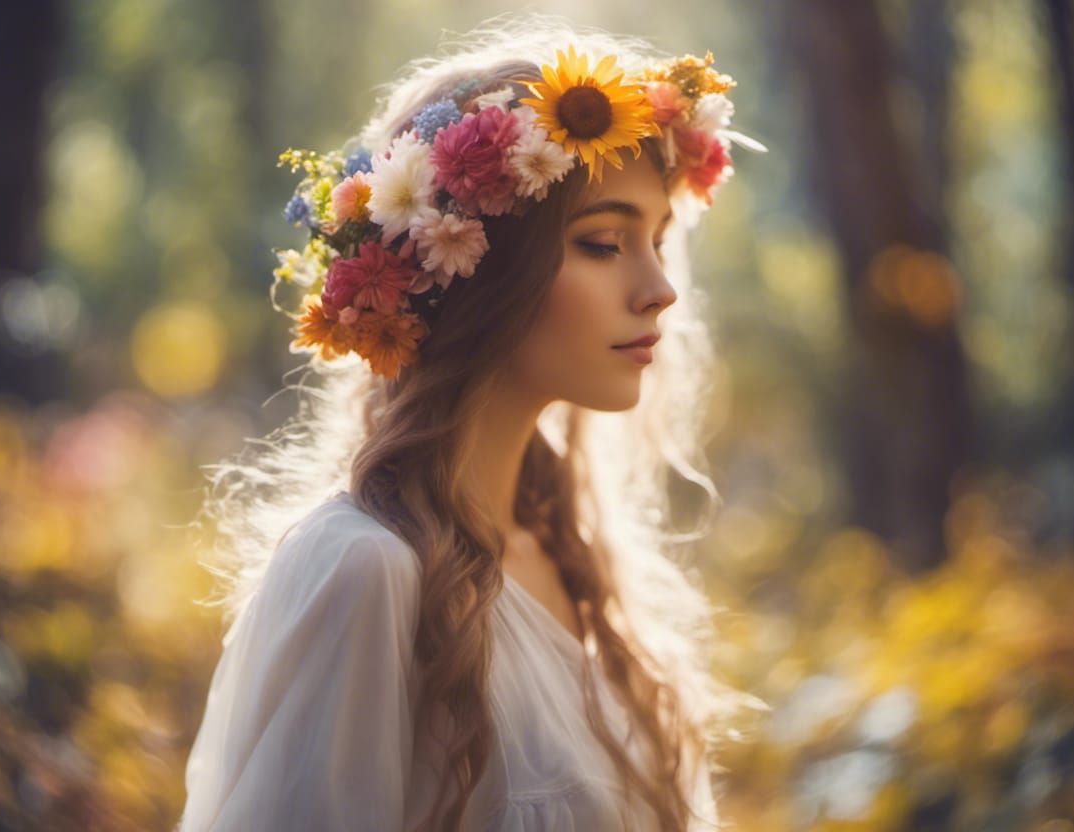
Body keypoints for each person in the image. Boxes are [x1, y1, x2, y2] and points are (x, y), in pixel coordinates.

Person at [178, 13, 764, 832]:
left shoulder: (578, 557)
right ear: (473, 264)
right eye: (603, 244)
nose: (659, 288)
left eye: (658, 242)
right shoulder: (366, 572)